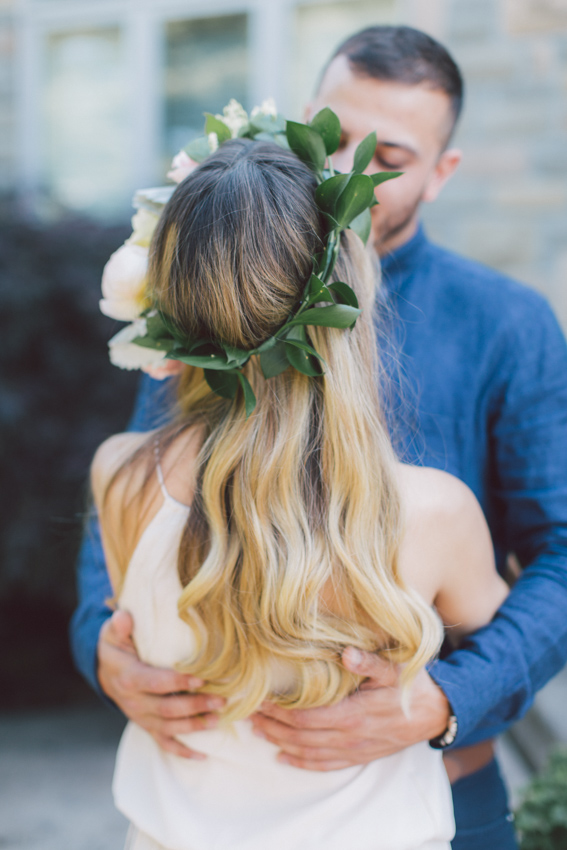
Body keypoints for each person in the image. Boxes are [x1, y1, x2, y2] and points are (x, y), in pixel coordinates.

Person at [70, 25, 567, 850]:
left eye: (389, 156)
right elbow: (138, 491)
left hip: (430, 790)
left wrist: (443, 699)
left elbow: (560, 553)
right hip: (206, 797)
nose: (345, 174)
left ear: (442, 173)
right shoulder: (214, 282)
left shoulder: (506, 324)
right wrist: (105, 646)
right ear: (301, 120)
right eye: (330, 139)